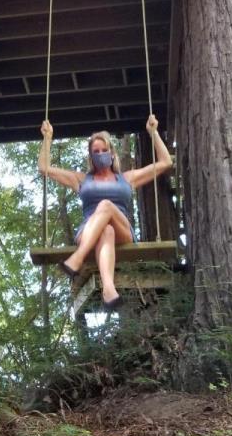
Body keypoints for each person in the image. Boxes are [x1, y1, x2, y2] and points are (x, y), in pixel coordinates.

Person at [38, 116, 173, 306]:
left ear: (112, 153)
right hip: (89, 230)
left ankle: (77, 258)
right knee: (106, 230)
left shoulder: (127, 178)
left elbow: (165, 162)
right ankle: (109, 290)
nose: (100, 154)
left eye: (104, 150)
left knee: (106, 206)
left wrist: (154, 133)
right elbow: (44, 168)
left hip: (122, 230)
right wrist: (47, 138)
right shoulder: (81, 179)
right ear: (91, 156)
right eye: (96, 151)